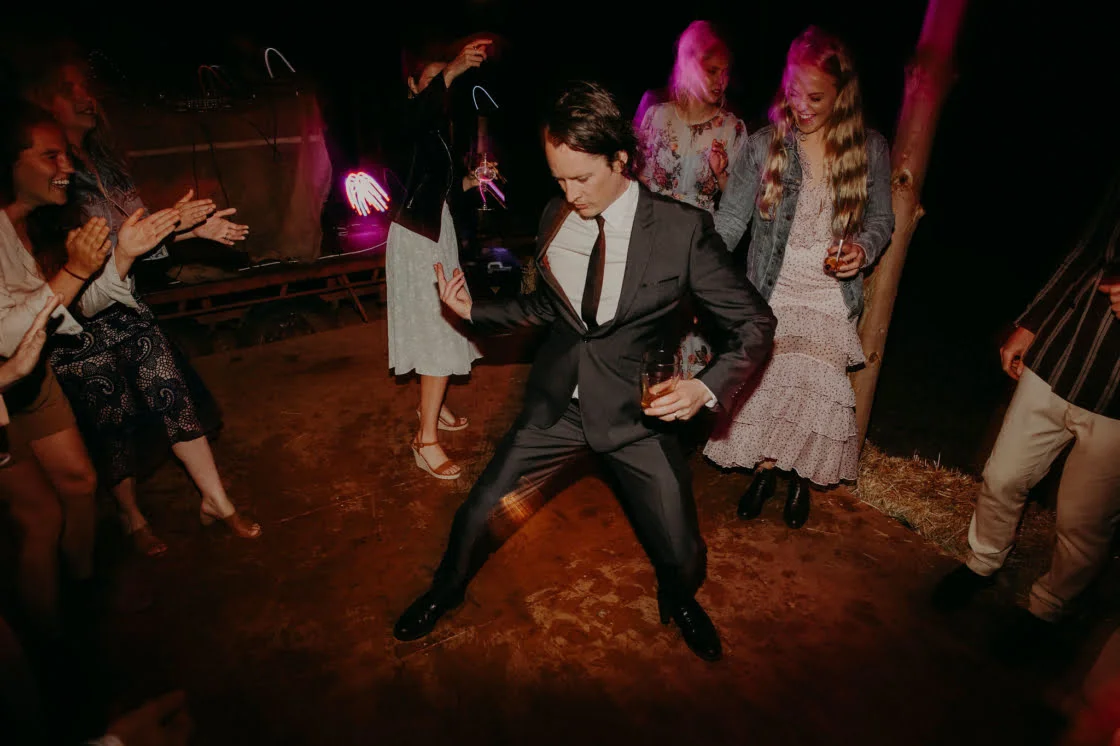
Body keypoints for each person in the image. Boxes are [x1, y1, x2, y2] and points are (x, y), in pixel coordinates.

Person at [393, 81, 776, 661]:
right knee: (479, 509)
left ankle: (679, 598)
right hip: (557, 407)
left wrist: (705, 387)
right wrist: (474, 311)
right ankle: (445, 590)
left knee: (682, 546)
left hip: (637, 415)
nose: (570, 194)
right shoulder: (556, 216)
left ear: (620, 159)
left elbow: (754, 323)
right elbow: (550, 307)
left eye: (582, 178)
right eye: (560, 180)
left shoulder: (681, 232)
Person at [21, 56, 259, 553]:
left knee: (174, 395)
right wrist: (137, 247)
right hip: (74, 320)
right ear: (45, 104)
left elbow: (136, 241)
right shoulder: (46, 187)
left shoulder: (104, 165)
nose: (86, 97)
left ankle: (217, 500)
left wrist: (187, 231)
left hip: (125, 303)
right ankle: (132, 518)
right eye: (70, 89)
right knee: (111, 421)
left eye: (86, 87)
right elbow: (70, 268)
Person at [704, 26, 894, 529]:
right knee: (768, 384)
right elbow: (730, 221)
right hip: (774, 287)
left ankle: (797, 478)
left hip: (830, 292)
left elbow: (881, 219)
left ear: (841, 94)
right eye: (794, 91)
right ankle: (765, 471)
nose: (802, 106)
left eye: (816, 97)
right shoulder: (764, 144)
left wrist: (863, 249)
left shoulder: (870, 148)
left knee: (812, 388)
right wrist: (698, 267)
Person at [931, 171, 1120, 662]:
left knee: (1084, 520)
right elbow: (1088, 249)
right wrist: (1031, 324)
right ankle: (982, 562)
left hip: (1117, 397)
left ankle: (1048, 609)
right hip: (1061, 353)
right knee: (1003, 475)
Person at [0, 102, 173, 637]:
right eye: (50, 155)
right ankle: (51, 637)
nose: (67, 167)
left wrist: (124, 256)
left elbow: (71, 307)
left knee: (79, 483)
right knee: (40, 517)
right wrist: (76, 271)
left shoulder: (41, 225)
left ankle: (81, 592)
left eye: (66, 155)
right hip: (2, 381)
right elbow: (9, 332)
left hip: (31, 378)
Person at [387, 37, 492, 480]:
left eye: (442, 83)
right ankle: (425, 440)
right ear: (413, 87)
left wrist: (470, 183)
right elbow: (411, 126)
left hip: (436, 231)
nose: (439, 89)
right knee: (438, 328)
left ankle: (433, 405)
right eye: (429, 82)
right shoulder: (405, 120)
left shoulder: (436, 130)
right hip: (416, 238)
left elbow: (440, 191)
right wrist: (450, 70)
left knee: (443, 322)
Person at [636, 20, 747, 381]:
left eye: (725, 73)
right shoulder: (656, 116)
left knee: (692, 343)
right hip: (651, 245)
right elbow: (632, 182)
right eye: (712, 70)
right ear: (688, 64)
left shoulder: (732, 129)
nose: (721, 81)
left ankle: (688, 410)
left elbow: (741, 207)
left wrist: (722, 175)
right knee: (645, 341)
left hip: (699, 251)